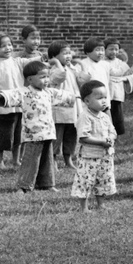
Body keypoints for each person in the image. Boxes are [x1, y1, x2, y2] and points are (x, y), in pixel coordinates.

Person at [0, 61, 77, 193]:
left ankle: (46, 184)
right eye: (42, 77)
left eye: (47, 76)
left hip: (48, 132)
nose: (46, 80)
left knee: (46, 159)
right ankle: (24, 186)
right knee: (31, 160)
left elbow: (66, 96)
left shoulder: (49, 92)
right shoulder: (24, 92)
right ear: (30, 79)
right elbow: (11, 95)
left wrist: (82, 96)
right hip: (33, 135)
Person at [0, 33, 43, 168]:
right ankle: (0, 161)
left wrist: (46, 57)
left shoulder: (18, 62)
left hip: (20, 105)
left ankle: (16, 160)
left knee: (18, 135)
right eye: (3, 46)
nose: (8, 48)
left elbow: (34, 60)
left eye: (9, 45)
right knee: (2, 134)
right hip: (2, 105)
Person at [71, 80, 118, 212]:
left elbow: (112, 131)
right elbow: (84, 137)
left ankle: (101, 204)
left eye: (105, 97)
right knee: (86, 180)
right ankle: (84, 207)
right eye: (99, 98)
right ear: (87, 101)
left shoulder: (104, 116)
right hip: (89, 156)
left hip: (105, 155)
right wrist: (101, 142)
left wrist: (110, 138)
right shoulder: (85, 116)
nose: (104, 101)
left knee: (103, 179)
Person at [47, 40, 85, 170]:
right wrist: (57, 63)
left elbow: (83, 80)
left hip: (74, 107)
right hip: (60, 108)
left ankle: (68, 159)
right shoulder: (53, 70)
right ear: (54, 56)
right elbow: (60, 77)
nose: (68, 56)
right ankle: (53, 160)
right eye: (64, 53)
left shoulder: (73, 68)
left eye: (70, 53)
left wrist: (80, 65)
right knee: (57, 135)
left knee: (71, 134)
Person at [103, 38, 130, 136]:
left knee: (116, 114)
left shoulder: (120, 63)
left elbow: (119, 73)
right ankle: (106, 133)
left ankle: (116, 135)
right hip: (105, 93)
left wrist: (125, 62)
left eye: (116, 49)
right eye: (111, 49)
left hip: (116, 93)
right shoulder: (102, 62)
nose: (114, 52)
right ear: (104, 49)